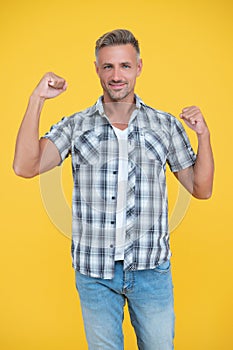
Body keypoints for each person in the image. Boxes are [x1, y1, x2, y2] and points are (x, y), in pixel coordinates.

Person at [13, 29, 214, 350]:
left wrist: (203, 135)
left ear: (139, 67)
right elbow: (25, 166)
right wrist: (36, 99)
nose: (116, 75)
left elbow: (201, 189)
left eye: (124, 66)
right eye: (108, 67)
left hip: (151, 270)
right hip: (95, 273)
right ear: (96, 69)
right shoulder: (76, 125)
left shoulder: (165, 125)